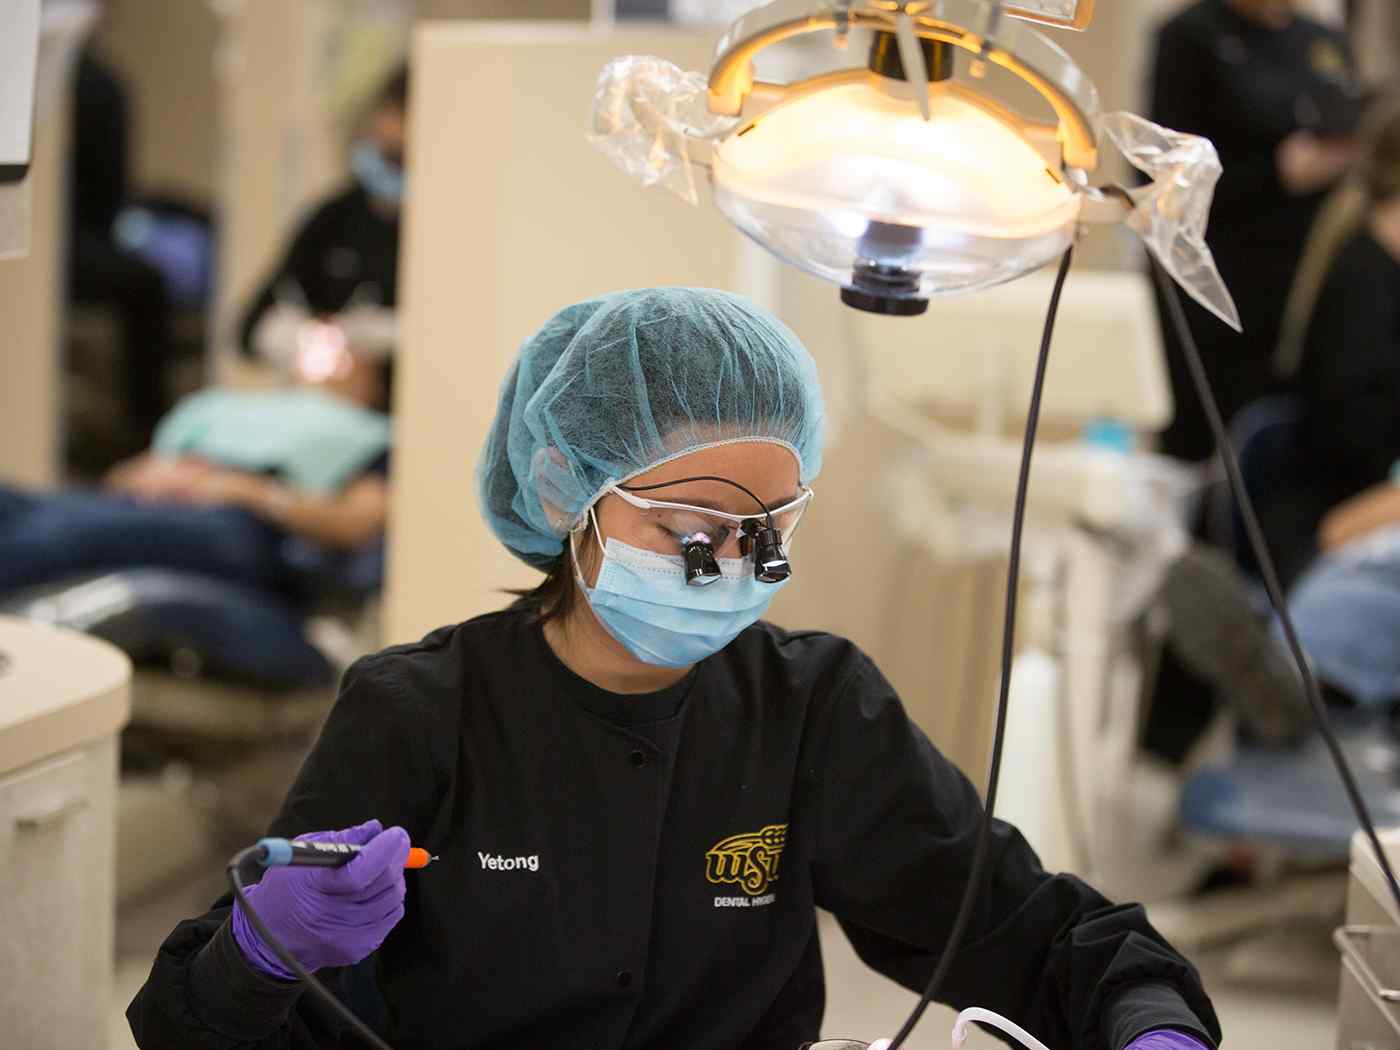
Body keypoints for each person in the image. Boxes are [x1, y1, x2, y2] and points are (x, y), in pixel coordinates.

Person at [127, 288, 1219, 1050]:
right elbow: (191, 1031)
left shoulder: (812, 709)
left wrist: (1146, 1018)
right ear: (568, 490)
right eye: (693, 527)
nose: (730, 566)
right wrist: (260, 959)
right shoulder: (419, 712)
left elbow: (1017, 929)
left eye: (765, 530)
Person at [0, 333, 391, 598]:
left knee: (64, 535)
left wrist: (247, 490)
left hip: (242, 524)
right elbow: (115, 479)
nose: (333, 349)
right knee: (14, 504)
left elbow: (355, 524)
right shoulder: (233, 407)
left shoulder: (371, 433)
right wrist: (149, 474)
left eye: (350, 349)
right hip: (159, 499)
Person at [1146, 0, 1363, 463]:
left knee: (1291, 440)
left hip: (1308, 283)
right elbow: (1159, 176)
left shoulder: (1321, 41)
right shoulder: (1190, 36)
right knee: (1206, 440)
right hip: (1216, 278)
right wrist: (1278, 172)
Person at [238, 65, 407, 373]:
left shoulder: (451, 231)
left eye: (399, 157)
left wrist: (389, 337)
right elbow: (249, 326)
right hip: (330, 404)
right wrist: (318, 341)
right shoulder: (334, 218)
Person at [68, 42, 177, 450]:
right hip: (81, 240)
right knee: (147, 285)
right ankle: (148, 429)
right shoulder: (98, 83)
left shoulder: (94, 80)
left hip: (83, 239)